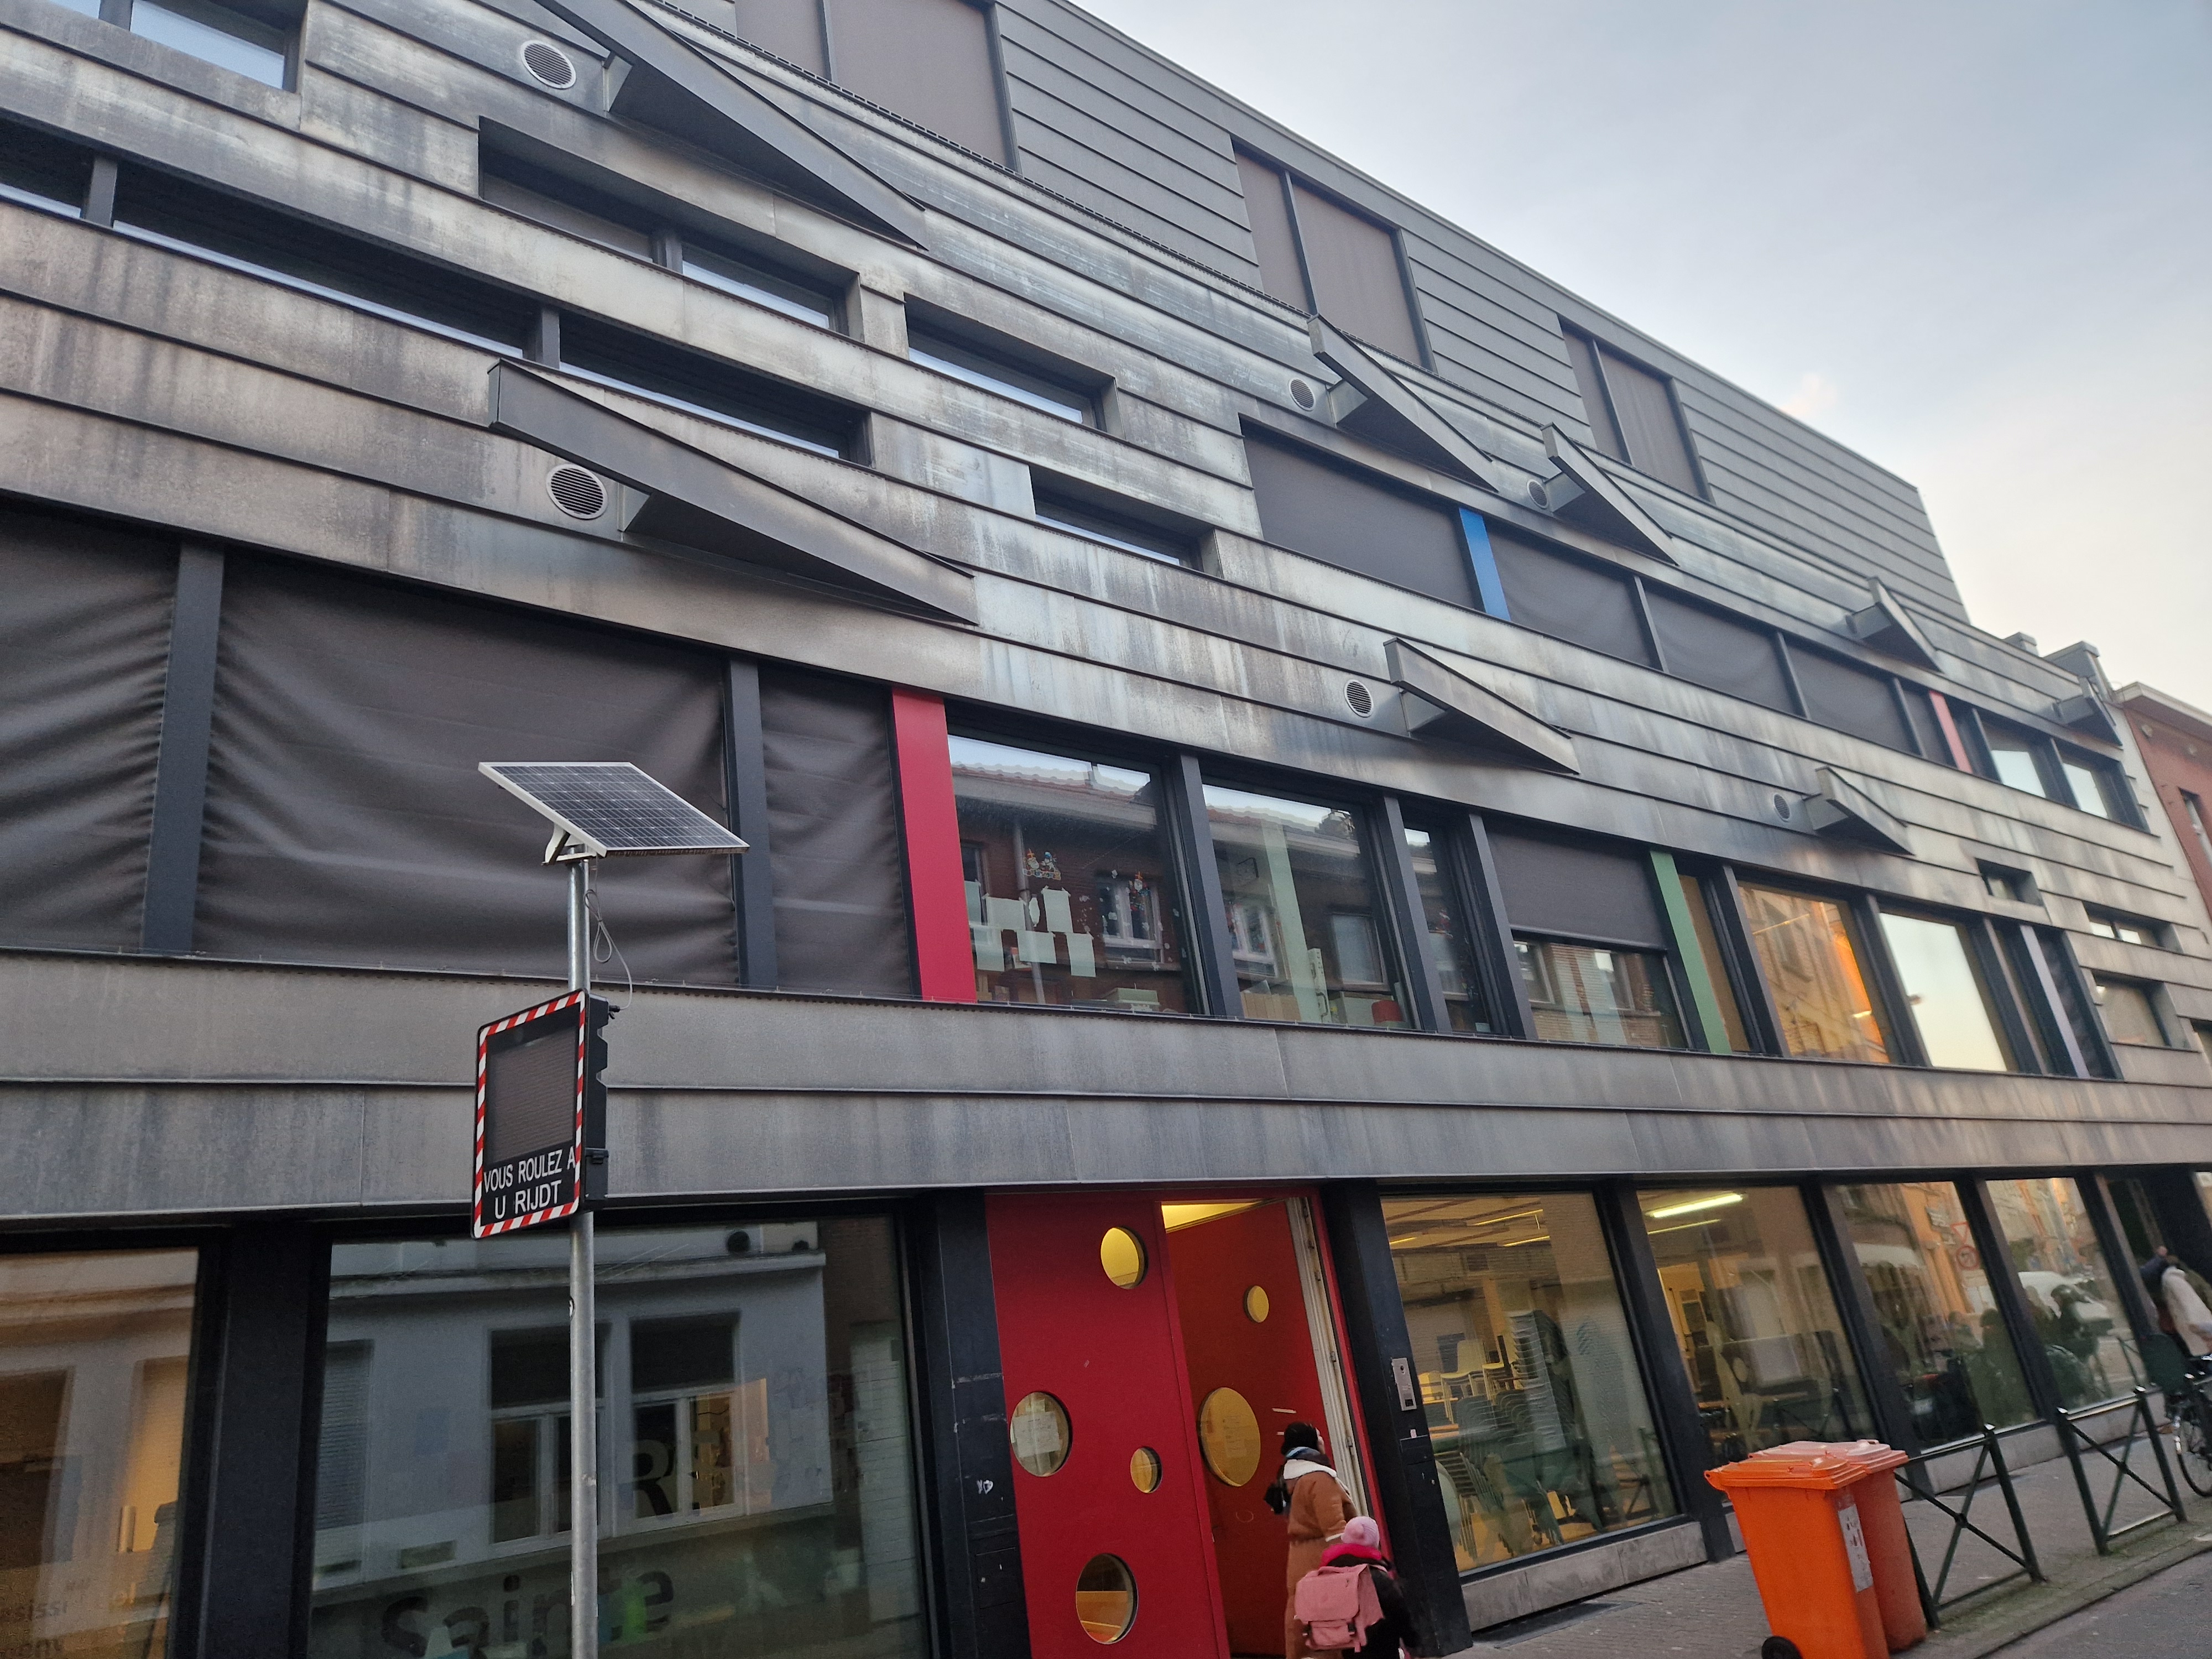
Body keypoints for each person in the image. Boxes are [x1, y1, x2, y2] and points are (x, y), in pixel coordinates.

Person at [1275, 1421, 1350, 1659]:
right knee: (1330, 1622)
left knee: (1301, 1616)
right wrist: (1351, 1563)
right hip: (1322, 1558)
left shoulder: (1287, 1477)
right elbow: (1335, 1529)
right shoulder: (1319, 1478)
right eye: (1319, 1437)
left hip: (1298, 1558)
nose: (1323, 1441)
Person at [1313, 1515, 1412, 1657]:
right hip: (1381, 1645)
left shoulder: (1330, 1571)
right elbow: (1397, 1608)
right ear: (1374, 1543)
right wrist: (1411, 1639)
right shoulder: (1373, 1574)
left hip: (1347, 1644)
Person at [2142, 1247, 2212, 1359]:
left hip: (2198, 1332)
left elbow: (2193, 1306)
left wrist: (2203, 1330)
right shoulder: (2175, 1278)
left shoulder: (2172, 1280)